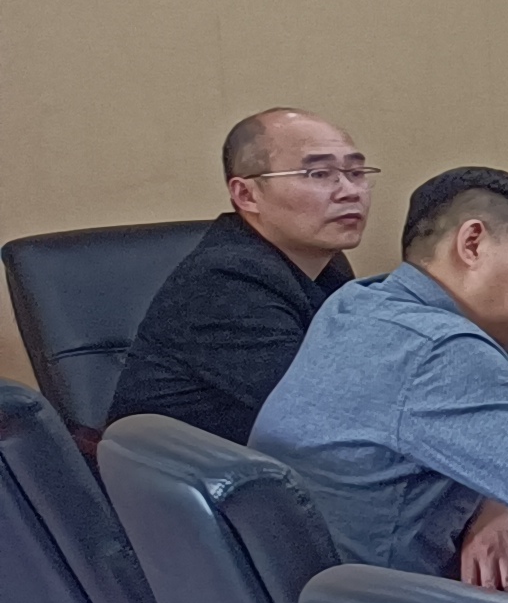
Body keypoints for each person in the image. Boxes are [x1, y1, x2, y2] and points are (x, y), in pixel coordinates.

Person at [251, 168, 508, 589]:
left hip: (300, 595)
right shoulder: (439, 348)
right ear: (472, 243)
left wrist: (505, 495)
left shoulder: (357, 302)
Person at [105, 109, 371, 442]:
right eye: (318, 174)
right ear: (246, 195)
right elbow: (328, 411)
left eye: (356, 172)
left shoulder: (326, 264)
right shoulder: (225, 280)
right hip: (201, 471)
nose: (350, 191)